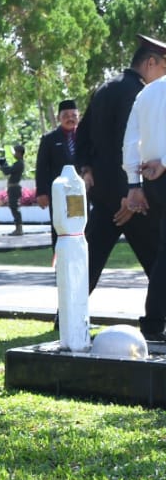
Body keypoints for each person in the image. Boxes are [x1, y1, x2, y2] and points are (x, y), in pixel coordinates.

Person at [75, 35, 166, 291]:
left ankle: (67, 318)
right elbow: (125, 148)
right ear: (150, 63)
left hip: (104, 196)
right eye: (163, 69)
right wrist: (129, 193)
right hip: (129, 198)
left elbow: (81, 137)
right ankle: (157, 321)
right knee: (157, 261)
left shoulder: (105, 87)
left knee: (89, 262)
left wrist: (85, 168)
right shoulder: (139, 94)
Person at [121, 73, 166, 342]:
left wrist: (133, 184)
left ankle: (153, 322)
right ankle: (153, 321)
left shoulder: (148, 91)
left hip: (152, 178)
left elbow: (130, 141)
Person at [35, 98, 81, 247]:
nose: (70, 118)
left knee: (81, 228)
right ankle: (60, 262)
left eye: (73, 115)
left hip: (81, 193)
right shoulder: (49, 139)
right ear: (58, 117)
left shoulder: (85, 136)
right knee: (60, 228)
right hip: (59, 194)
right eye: (66, 115)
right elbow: (41, 167)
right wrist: (41, 192)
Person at [3, 144, 26, 235]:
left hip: (14, 188)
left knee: (15, 207)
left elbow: (7, 171)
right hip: (13, 188)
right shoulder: (18, 163)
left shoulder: (19, 164)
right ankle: (18, 228)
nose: (14, 154)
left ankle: (19, 229)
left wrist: (3, 163)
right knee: (14, 207)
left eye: (15, 152)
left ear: (20, 153)